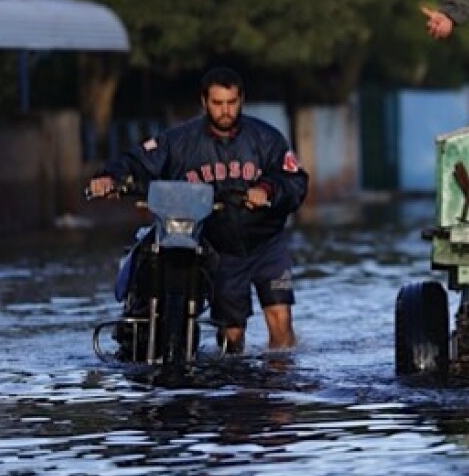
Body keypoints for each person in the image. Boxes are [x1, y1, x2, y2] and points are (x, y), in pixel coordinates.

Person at [88, 67, 309, 353]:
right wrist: (109, 177)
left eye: (232, 102)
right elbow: (138, 161)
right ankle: (237, 389)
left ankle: (283, 381)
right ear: (204, 103)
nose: (225, 111)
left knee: (280, 318)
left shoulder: (268, 139)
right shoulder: (179, 141)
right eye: (218, 104)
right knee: (232, 334)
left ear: (242, 100)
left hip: (267, 244)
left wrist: (267, 190)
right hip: (219, 248)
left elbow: (296, 181)